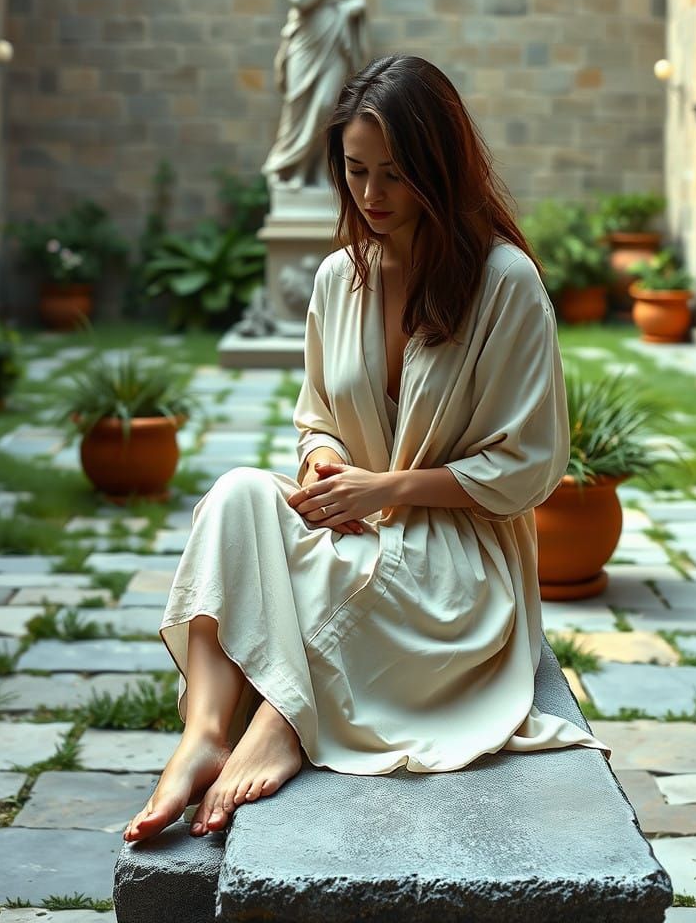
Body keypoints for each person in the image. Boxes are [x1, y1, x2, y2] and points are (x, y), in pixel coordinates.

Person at [124, 54, 609, 844]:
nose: (372, 195)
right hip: (353, 522)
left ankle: (283, 720)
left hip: (458, 553)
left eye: (394, 174)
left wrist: (387, 490)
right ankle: (205, 732)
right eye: (356, 172)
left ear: (438, 169)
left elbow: (528, 467)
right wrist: (321, 462)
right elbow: (316, 415)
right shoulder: (336, 279)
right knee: (237, 496)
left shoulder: (505, 283)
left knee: (363, 572)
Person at [261, 0, 367, 189]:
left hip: (335, 45)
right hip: (304, 46)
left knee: (327, 106)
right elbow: (301, 0)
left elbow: (358, 0)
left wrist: (347, 9)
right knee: (298, 106)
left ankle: (318, 171)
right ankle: (292, 169)